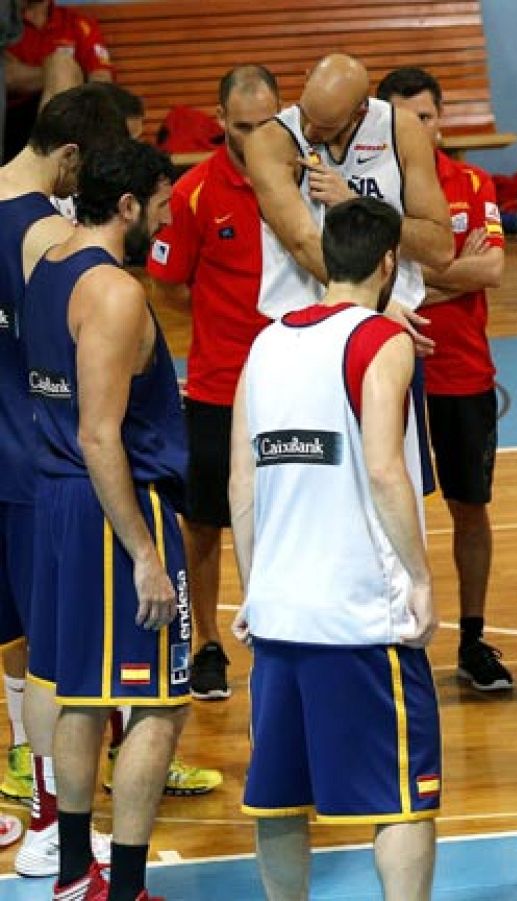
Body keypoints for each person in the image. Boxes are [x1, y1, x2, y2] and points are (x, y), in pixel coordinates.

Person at [230, 197, 438, 901]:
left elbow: (241, 479)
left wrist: (254, 585)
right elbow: (384, 468)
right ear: (389, 262)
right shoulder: (382, 340)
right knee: (405, 795)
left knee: (280, 799)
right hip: (359, 616)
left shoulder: (264, 344)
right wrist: (421, 577)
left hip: (280, 613)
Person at [22, 137, 186, 901]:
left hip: (56, 502)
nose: (164, 218)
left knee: (84, 695)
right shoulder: (115, 292)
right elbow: (100, 431)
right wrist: (146, 554)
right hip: (114, 504)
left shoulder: (45, 268)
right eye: (158, 204)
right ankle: (122, 891)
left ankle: (70, 878)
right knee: (158, 698)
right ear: (127, 205)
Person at [0, 84, 124, 877]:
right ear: (70, 156)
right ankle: (52, 824)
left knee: (12, 643)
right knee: (53, 654)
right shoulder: (50, 234)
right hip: (32, 465)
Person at [376, 66, 513, 693]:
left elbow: (491, 269)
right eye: (405, 119)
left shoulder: (473, 182)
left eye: (426, 117)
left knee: (470, 509)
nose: (419, 130)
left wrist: (414, 281)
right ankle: (394, 635)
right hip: (388, 373)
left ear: (441, 119)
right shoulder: (371, 192)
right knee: (389, 507)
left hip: (462, 372)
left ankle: (473, 638)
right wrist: (451, 271)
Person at [146, 65, 281, 704]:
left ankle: (285, 636)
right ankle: (205, 644)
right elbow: (165, 282)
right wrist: (216, 315)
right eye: (244, 126)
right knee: (203, 522)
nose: (257, 139)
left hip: (292, 387)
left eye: (268, 125)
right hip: (218, 387)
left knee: (290, 517)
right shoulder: (195, 193)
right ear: (222, 119)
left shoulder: (303, 180)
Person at [242, 52, 453, 319]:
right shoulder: (269, 140)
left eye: (325, 127)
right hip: (308, 322)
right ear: (306, 80)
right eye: (307, 117)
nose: (309, 133)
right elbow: (302, 243)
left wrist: (354, 203)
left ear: (360, 112)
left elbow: (440, 250)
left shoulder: (402, 131)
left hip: (390, 319)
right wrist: (376, 304)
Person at [4, 0, 113, 161]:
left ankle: (49, 161)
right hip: (12, 120)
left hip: (72, 118)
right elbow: (9, 77)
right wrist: (65, 73)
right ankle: (53, 164)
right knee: (61, 66)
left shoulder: (77, 23)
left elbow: (102, 80)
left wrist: (57, 74)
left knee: (63, 67)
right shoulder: (5, 23)